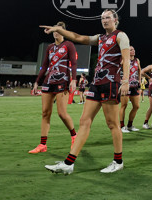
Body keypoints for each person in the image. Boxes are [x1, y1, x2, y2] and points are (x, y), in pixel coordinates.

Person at [42, 9, 130, 174]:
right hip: (96, 83)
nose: (104, 20)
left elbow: (126, 59)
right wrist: (58, 30)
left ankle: (118, 161)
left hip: (110, 83)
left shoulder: (121, 35)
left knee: (113, 124)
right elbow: (78, 37)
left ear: (116, 20)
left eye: (108, 18)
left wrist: (125, 81)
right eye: (102, 18)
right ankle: (69, 164)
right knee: (84, 121)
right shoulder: (100, 38)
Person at [28, 21, 78, 154]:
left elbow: (73, 63)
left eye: (58, 29)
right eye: (54, 30)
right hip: (48, 82)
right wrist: (37, 82)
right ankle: (42, 145)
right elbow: (44, 66)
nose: (56, 32)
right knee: (45, 113)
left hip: (64, 81)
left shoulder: (69, 45)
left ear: (63, 31)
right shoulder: (50, 47)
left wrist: (74, 80)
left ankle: (74, 136)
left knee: (62, 113)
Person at [120, 46, 141, 132]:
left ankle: (130, 125)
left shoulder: (137, 60)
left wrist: (139, 80)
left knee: (136, 106)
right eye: (131, 50)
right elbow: (117, 69)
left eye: (134, 49)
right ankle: (121, 126)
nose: (133, 51)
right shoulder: (123, 60)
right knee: (124, 106)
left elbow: (139, 70)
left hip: (134, 86)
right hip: (126, 86)